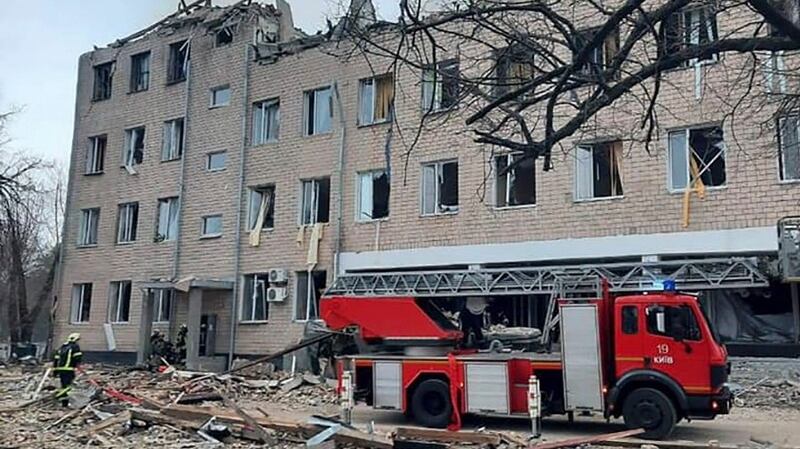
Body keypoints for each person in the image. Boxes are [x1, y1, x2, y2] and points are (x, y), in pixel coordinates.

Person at [53, 333, 83, 407]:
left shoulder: (62, 347)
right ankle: (58, 396)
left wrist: (55, 371)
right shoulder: (74, 346)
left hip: (60, 369)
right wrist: (78, 365)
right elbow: (77, 357)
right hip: (69, 369)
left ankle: (64, 403)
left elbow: (56, 359)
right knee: (69, 386)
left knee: (63, 386)